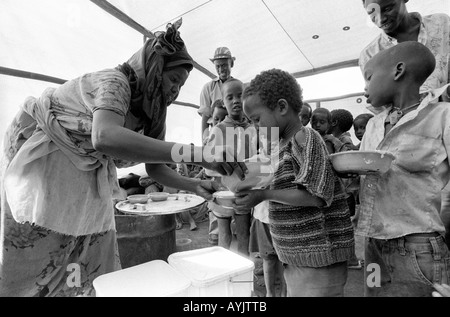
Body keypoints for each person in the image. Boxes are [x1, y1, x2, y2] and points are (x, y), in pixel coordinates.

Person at [0, 19, 246, 297]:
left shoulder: (154, 111)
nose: (176, 90)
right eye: (174, 79)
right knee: (43, 250)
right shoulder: (115, 82)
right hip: (46, 158)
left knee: (92, 249)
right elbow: (105, 136)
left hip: (82, 169)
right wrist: (198, 155)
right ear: (154, 68)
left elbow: (155, 168)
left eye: (181, 85)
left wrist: (194, 187)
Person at [235, 69, 355, 297]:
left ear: (281, 107)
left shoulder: (305, 138)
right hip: (299, 256)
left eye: (257, 119)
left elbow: (317, 196)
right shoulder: (282, 146)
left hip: (319, 258)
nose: (256, 127)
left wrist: (264, 196)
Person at [359, 41, 450, 296]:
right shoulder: (373, 125)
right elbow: (364, 168)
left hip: (418, 246)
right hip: (374, 244)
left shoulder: (443, 115)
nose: (365, 87)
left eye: (368, 78)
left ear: (398, 71)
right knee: (374, 293)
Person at [205, 78, 258, 257]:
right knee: (224, 233)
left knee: (244, 233)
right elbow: (208, 164)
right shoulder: (218, 129)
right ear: (224, 102)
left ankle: (242, 275)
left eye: (240, 96)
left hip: (243, 190)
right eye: (230, 97)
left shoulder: (253, 129)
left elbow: (256, 159)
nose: (235, 100)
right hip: (222, 191)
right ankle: (224, 271)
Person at [359, 0, 450, 103]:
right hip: (411, 119)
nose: (381, 19)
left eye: (388, 9)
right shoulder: (369, 55)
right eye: (372, 13)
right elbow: (380, 105)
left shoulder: (441, 24)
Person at [198, 47, 236, 245]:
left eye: (225, 64)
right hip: (215, 138)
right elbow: (205, 117)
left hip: (233, 137)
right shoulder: (208, 88)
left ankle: (235, 229)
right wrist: (204, 139)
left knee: (233, 180)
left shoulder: (239, 87)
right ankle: (216, 233)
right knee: (216, 184)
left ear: (232, 63)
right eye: (218, 65)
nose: (222, 68)